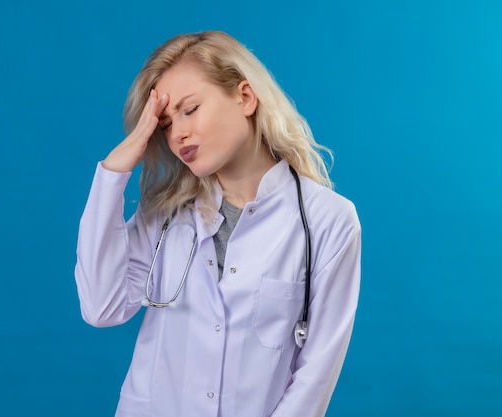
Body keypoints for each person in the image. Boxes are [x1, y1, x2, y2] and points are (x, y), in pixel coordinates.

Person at [75, 30, 361, 417]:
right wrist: (113, 172)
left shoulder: (327, 222)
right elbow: (101, 307)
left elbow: (315, 376)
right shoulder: (166, 215)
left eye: (190, 110)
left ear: (245, 97)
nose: (177, 134)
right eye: (164, 124)